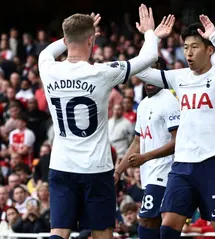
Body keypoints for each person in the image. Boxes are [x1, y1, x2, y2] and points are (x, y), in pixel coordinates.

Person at [38, 5, 169, 239]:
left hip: (61, 165)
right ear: (92, 41)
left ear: (66, 40)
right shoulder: (102, 72)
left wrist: (77, 32)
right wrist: (150, 33)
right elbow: (149, 57)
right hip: (96, 168)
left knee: (58, 231)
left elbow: (49, 49)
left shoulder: (47, 67)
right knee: (102, 232)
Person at [129, 14, 215, 239]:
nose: (189, 53)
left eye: (195, 47)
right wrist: (152, 37)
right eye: (185, 47)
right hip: (183, 166)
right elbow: (139, 70)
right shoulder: (179, 77)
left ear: (210, 50)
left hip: (214, 163)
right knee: (167, 228)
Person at [115, 63, 180, 238]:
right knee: (156, 223)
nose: (149, 78)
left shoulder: (170, 101)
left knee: (146, 219)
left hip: (166, 171)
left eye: (154, 72)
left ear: (162, 74)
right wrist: (118, 171)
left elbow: (178, 140)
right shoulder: (143, 104)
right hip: (149, 173)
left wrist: (146, 157)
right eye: (146, 73)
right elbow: (137, 141)